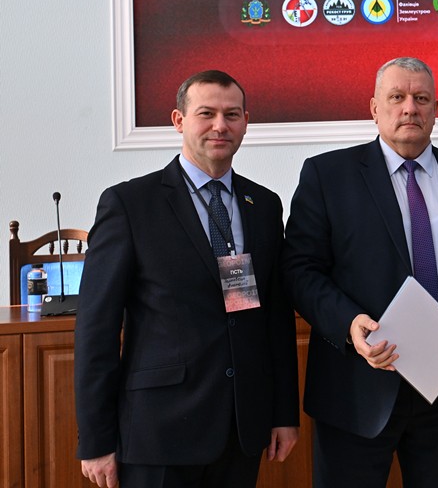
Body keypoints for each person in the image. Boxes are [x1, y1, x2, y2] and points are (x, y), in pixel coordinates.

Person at [283, 56, 438, 488]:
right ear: (375, 108)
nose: (410, 108)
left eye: (421, 98)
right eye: (397, 97)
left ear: (436, 110)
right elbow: (300, 269)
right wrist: (348, 323)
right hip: (356, 387)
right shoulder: (328, 175)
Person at [75, 70, 300, 488]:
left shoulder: (264, 205)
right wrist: (95, 439)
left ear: (246, 122)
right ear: (179, 120)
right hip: (158, 433)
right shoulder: (129, 204)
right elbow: (96, 329)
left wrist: (284, 413)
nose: (220, 125)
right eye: (206, 113)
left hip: (241, 429)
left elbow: (273, 319)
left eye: (232, 114)